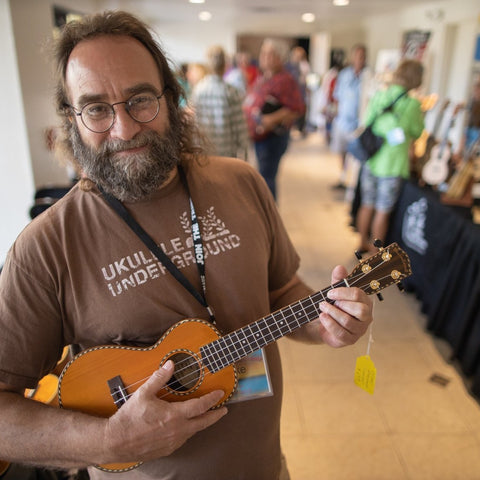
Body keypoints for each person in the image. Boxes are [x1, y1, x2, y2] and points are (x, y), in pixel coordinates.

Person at [0, 11, 374, 480]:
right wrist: (107, 441)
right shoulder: (45, 247)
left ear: (172, 99)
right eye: (96, 108)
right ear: (72, 120)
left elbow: (281, 291)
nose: (123, 128)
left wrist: (326, 324)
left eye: (140, 99)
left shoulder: (241, 182)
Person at [356, 59, 425, 254]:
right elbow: (418, 132)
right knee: (382, 210)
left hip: (372, 160)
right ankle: (376, 251)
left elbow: (367, 121)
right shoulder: (412, 104)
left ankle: (362, 242)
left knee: (367, 203)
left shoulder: (380, 96)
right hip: (393, 164)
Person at [243, 38, 306, 200]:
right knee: (263, 179)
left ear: (279, 57)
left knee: (266, 180)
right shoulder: (264, 76)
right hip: (259, 137)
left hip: (272, 138)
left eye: (268, 54)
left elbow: (297, 108)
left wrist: (270, 119)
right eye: (263, 53)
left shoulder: (286, 80)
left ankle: (269, 220)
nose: (263, 56)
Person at [190, 45, 249, 160]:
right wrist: (245, 155)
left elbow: (194, 124)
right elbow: (240, 127)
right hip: (226, 154)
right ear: (224, 65)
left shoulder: (198, 90)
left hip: (203, 152)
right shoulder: (231, 91)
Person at [330, 44, 371, 190]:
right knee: (341, 152)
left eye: (362, 56)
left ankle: (353, 183)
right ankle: (342, 177)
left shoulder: (369, 76)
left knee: (356, 154)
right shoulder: (344, 74)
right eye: (357, 55)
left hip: (358, 124)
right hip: (342, 121)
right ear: (353, 57)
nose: (360, 59)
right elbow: (337, 96)